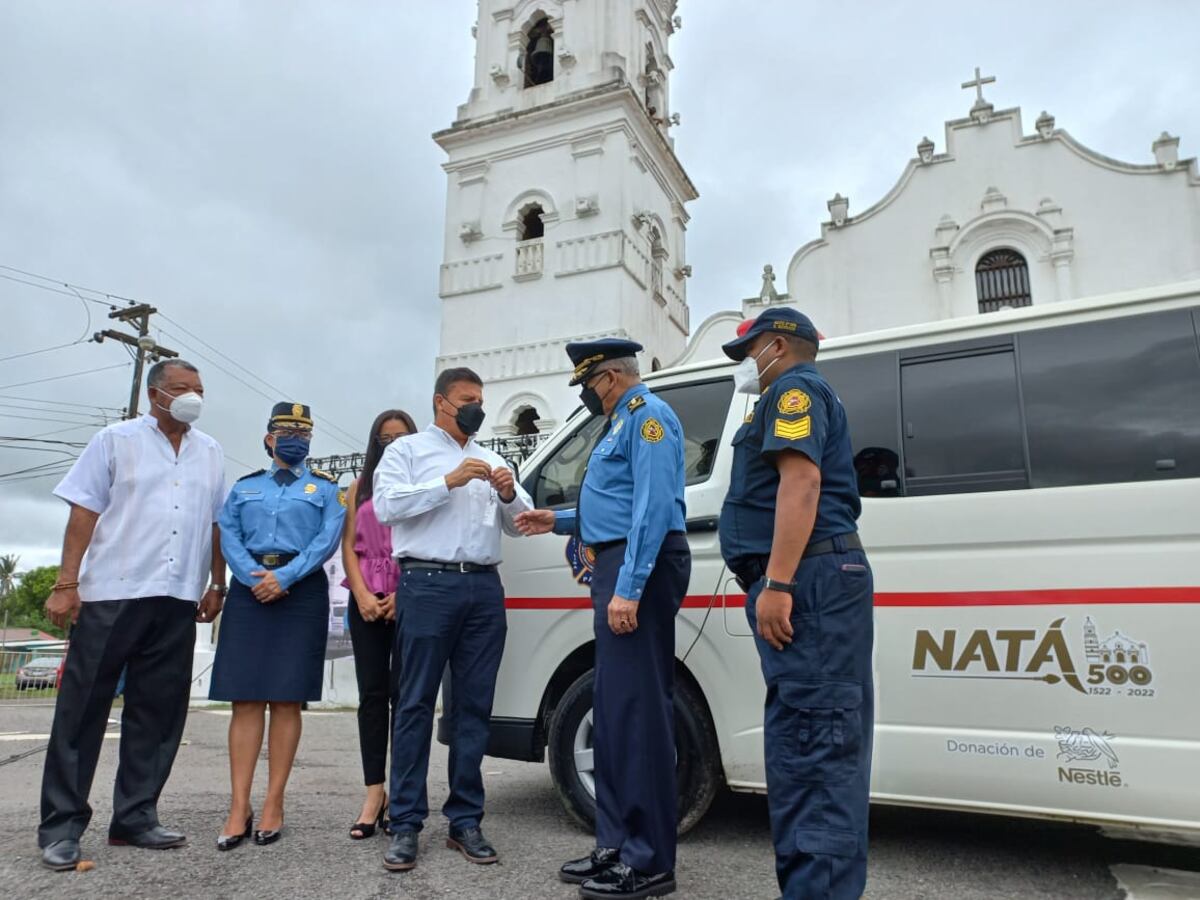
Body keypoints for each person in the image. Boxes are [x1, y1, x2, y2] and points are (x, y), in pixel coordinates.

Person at [516, 339, 691, 900]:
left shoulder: (649, 418)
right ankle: (615, 845)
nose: (587, 395)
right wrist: (561, 520)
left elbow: (652, 507)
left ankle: (649, 861)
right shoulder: (619, 422)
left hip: (637, 565)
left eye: (588, 384)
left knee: (639, 715)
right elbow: (613, 502)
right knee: (614, 713)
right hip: (616, 562)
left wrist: (631, 588)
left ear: (610, 377)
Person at [38, 360, 226, 871]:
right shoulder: (114, 440)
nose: (193, 397)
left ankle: (136, 816)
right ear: (155, 394)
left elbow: (215, 523)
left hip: (177, 596)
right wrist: (66, 583)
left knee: (159, 712)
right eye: (183, 389)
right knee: (82, 712)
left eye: (200, 390)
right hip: (111, 593)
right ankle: (61, 825)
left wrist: (217, 583)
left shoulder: (210, 452)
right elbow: (83, 511)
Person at [717, 307, 874, 900]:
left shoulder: (794, 390)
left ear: (776, 345)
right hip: (812, 579)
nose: (748, 366)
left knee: (817, 747)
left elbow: (801, 483)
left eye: (750, 351)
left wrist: (778, 584)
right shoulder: (792, 390)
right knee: (807, 741)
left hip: (806, 582)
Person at [373, 367, 532, 873]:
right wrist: (448, 481)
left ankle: (465, 819)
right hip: (427, 584)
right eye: (468, 399)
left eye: (481, 399)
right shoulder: (408, 451)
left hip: (483, 586)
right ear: (442, 402)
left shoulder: (493, 457)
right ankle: (405, 824)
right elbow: (385, 507)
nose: (476, 408)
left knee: (473, 706)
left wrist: (509, 494)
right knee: (416, 703)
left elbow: (521, 523)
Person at [209, 402, 345, 850]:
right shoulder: (244, 488)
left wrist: (284, 577)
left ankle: (273, 802)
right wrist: (254, 578)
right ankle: (237, 805)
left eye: (303, 433)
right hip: (250, 590)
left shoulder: (326, 489)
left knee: (287, 701)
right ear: (268, 438)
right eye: (286, 430)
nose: (295, 438)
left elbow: (326, 542)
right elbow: (228, 534)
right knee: (245, 700)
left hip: (300, 591)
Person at [341, 409, 417, 839]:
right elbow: (349, 548)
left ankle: (404, 794)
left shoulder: (419, 487)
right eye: (384, 438)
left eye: (400, 437)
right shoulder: (358, 489)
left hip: (409, 598)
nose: (392, 444)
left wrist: (400, 595)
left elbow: (426, 545)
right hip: (366, 601)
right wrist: (363, 595)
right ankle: (375, 792)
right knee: (372, 695)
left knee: (405, 697)